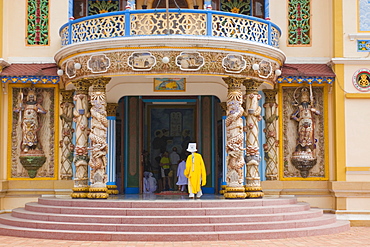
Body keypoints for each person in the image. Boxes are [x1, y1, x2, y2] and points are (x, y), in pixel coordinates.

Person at [14, 88, 47, 153]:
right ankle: (27, 146)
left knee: (33, 133)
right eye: (30, 97)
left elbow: (44, 111)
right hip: (26, 122)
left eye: (32, 97)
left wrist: (38, 110)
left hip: (33, 122)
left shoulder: (36, 105)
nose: (31, 98)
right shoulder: (25, 105)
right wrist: (16, 109)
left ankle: (34, 146)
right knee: (26, 133)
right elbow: (18, 109)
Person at [291, 87, 320, 153]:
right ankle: (301, 147)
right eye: (303, 98)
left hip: (309, 122)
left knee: (308, 134)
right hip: (302, 122)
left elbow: (318, 113)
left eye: (306, 98)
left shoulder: (310, 107)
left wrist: (314, 110)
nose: (304, 99)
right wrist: (298, 119)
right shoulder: (300, 108)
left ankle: (307, 147)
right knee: (302, 134)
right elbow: (292, 116)